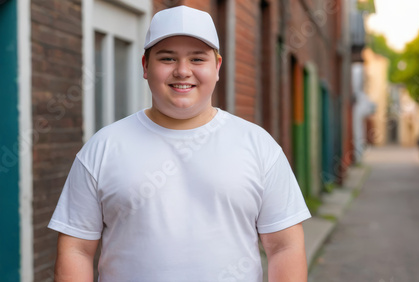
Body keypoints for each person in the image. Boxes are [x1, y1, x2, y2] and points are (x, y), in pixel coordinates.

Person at [49, 5, 311, 282]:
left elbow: (285, 247)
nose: (183, 71)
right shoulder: (103, 147)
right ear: (145, 66)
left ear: (217, 67)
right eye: (168, 59)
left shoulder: (259, 146)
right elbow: (76, 250)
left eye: (197, 59)